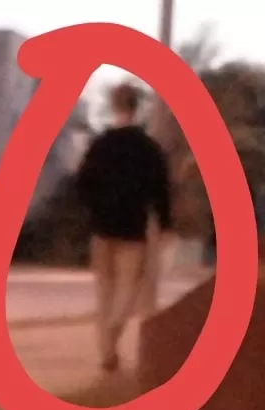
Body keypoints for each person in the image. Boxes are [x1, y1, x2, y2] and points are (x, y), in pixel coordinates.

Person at [76, 81, 173, 374]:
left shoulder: (99, 146)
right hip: (132, 229)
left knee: (104, 290)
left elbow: (82, 184)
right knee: (129, 289)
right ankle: (112, 332)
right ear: (136, 107)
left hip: (101, 227)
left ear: (114, 106)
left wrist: (92, 212)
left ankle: (107, 350)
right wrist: (165, 224)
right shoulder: (148, 149)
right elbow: (160, 191)